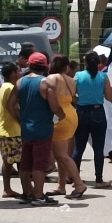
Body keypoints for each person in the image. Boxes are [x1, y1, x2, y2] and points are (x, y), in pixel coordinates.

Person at [7, 52, 64, 206]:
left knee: (25, 163)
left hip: (26, 129)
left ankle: (27, 193)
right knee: (39, 164)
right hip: (42, 129)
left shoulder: (20, 82)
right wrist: (62, 115)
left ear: (30, 65)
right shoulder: (46, 83)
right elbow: (55, 107)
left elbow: (10, 104)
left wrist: (20, 119)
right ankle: (38, 196)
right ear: (45, 66)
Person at [47, 55, 87, 199]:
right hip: (71, 113)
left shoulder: (52, 79)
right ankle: (61, 186)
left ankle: (78, 184)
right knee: (62, 154)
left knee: (61, 155)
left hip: (60, 116)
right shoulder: (71, 80)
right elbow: (74, 98)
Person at [72, 51, 112, 188]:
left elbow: (72, 96)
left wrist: (80, 100)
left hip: (81, 112)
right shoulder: (103, 77)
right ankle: (99, 179)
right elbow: (109, 97)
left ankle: (75, 179)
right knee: (98, 147)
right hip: (97, 112)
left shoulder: (78, 76)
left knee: (79, 147)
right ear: (99, 63)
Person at [0, 63, 22, 198]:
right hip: (12, 131)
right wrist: (20, 121)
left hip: (5, 129)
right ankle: (28, 189)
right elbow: (11, 107)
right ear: (12, 73)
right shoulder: (11, 88)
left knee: (8, 161)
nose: (20, 73)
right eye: (17, 71)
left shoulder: (4, 86)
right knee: (20, 161)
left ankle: (8, 189)